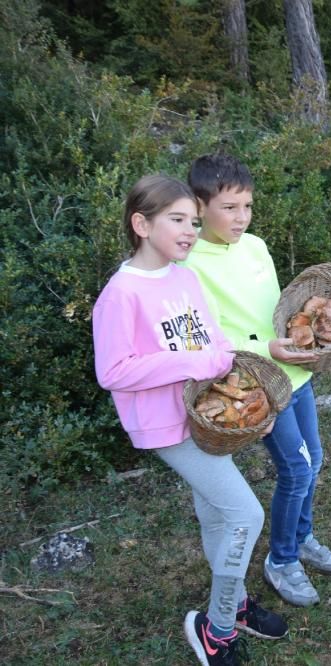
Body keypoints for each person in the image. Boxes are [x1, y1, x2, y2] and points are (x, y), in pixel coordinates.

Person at [93, 175, 288, 666]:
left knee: (216, 513)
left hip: (203, 417)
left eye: (194, 222)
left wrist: (249, 397)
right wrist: (190, 363)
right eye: (176, 220)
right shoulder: (122, 294)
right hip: (166, 426)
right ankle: (217, 631)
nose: (189, 230)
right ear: (141, 224)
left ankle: (236, 604)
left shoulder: (185, 276)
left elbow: (213, 342)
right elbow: (113, 371)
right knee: (245, 514)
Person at [180, 153, 331, 608]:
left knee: (315, 458)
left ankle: (302, 534)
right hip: (257, 381)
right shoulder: (191, 264)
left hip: (296, 371)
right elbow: (207, 334)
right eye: (229, 207)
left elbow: (273, 309)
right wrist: (263, 348)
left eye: (247, 206)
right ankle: (283, 559)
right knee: (295, 469)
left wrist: (297, 333)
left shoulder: (256, 246)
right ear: (199, 205)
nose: (241, 218)